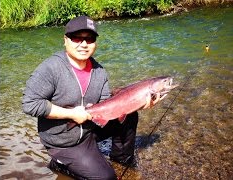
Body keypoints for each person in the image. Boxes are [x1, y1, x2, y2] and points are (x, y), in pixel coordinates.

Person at [22, 15, 164, 180]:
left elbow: (107, 104)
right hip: (65, 141)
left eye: (89, 39)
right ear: (65, 40)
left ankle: (122, 160)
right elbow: (30, 104)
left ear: (95, 42)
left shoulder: (99, 71)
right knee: (106, 178)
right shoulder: (51, 68)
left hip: (89, 128)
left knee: (130, 115)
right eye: (77, 38)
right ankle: (59, 164)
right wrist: (71, 114)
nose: (83, 44)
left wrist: (137, 103)